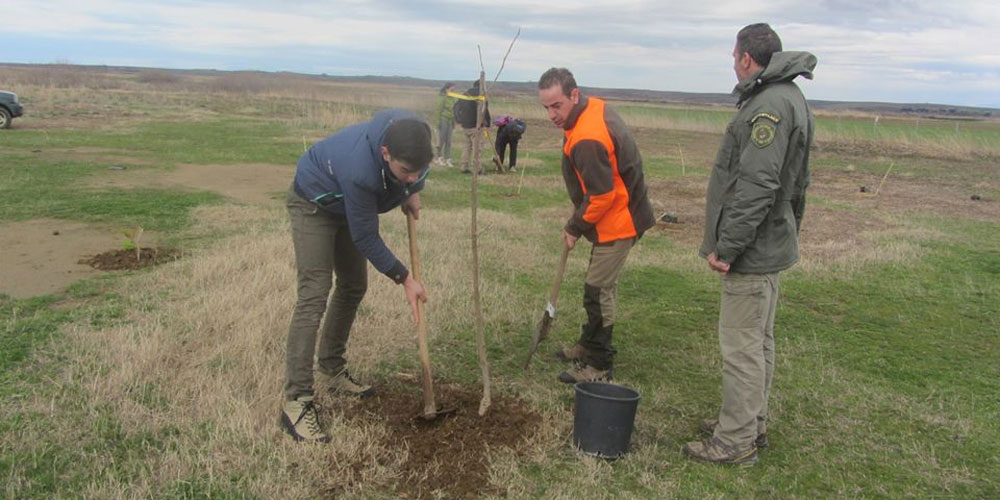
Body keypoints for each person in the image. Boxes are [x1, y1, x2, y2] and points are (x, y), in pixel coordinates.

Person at [683, 23, 815, 466]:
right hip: (770, 244)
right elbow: (793, 185)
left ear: (745, 58)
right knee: (758, 343)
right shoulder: (786, 97)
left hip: (753, 252)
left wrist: (729, 246)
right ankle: (747, 423)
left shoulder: (769, 105)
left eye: (733, 55)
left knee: (742, 347)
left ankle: (735, 442)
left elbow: (759, 184)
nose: (732, 62)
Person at [281, 109, 433, 443]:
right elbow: (365, 237)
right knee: (314, 294)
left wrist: (411, 189)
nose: (412, 176)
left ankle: (332, 369)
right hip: (315, 202)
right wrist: (404, 278)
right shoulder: (360, 170)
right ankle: (297, 401)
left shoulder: (415, 138)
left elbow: (413, 172)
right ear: (385, 154)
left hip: (349, 204)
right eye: (405, 171)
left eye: (419, 171)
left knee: (353, 286)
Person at [537, 67, 655, 384]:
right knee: (596, 285)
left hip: (619, 220)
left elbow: (601, 196)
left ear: (574, 95)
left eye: (557, 105)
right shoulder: (592, 109)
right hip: (616, 215)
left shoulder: (588, 137)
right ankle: (588, 345)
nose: (551, 115)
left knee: (597, 290)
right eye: (546, 107)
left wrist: (575, 226)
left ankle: (600, 364)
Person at [455, 79, 491, 174]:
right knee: (477, 148)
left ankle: (464, 166)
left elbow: (456, 107)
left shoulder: (465, 93)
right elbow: (485, 110)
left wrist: (459, 119)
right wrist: (488, 123)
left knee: (467, 146)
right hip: (476, 125)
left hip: (465, 125)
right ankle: (477, 168)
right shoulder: (481, 96)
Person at [435, 82, 457, 167]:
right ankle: (438, 157)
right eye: (452, 89)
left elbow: (454, 111)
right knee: (441, 140)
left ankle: (447, 159)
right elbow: (438, 110)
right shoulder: (442, 98)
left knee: (449, 141)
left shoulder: (453, 98)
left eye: (454, 90)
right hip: (443, 120)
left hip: (450, 121)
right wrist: (437, 124)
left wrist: (454, 123)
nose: (453, 91)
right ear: (446, 89)